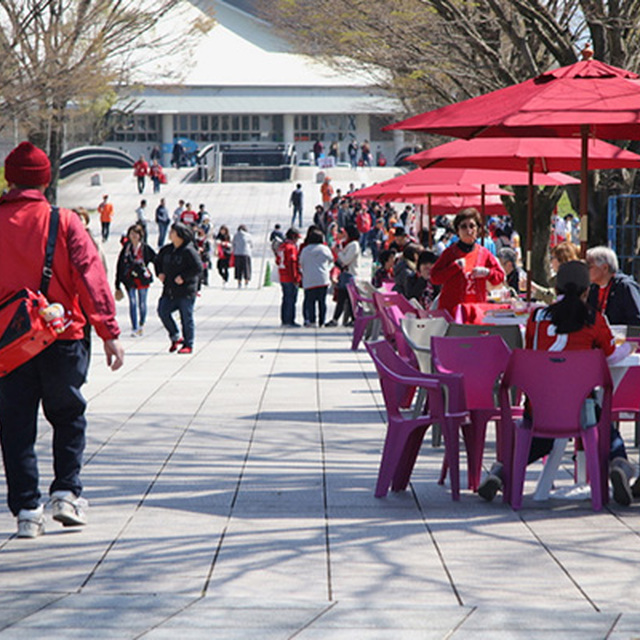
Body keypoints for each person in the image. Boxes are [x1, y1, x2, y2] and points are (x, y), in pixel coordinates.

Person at [0, 141, 124, 538]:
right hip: (61, 335)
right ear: (46, 179)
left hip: (8, 342)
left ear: (9, 177)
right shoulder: (65, 221)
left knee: (15, 425)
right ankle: (66, 493)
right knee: (68, 416)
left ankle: (26, 511)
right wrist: (108, 333)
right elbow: (91, 276)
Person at [477, 261, 636, 506]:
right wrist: (629, 347)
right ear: (586, 290)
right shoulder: (594, 319)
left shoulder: (536, 317)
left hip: (538, 406)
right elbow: (611, 355)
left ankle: (501, 471)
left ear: (557, 288)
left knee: (542, 436)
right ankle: (619, 463)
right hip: (579, 408)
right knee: (599, 418)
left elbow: (531, 351)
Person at [430, 208, 505, 315]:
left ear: (478, 229)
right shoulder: (450, 253)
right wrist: (454, 267)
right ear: (457, 230)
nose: (468, 230)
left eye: (472, 226)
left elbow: (500, 277)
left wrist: (487, 272)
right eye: (463, 226)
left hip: (476, 312)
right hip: (452, 313)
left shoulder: (483, 253)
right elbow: (434, 277)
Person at [155, 222, 202, 354]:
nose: (170, 234)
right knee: (163, 310)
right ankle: (176, 336)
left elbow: (198, 268)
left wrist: (184, 277)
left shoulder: (189, 250)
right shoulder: (167, 249)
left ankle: (188, 344)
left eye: (173, 232)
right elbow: (157, 261)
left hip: (186, 291)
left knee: (186, 317)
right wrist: (159, 273)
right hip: (169, 289)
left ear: (180, 235)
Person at [115, 225, 156, 336]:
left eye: (135, 234)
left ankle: (141, 322)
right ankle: (135, 327)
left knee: (142, 303)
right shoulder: (126, 249)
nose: (133, 236)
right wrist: (117, 283)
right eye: (131, 234)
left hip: (142, 278)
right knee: (132, 302)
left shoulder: (145, 248)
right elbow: (120, 265)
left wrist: (160, 272)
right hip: (130, 279)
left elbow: (156, 259)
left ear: (140, 235)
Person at [586, 246, 640, 326]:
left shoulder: (624, 287)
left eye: (589, 267)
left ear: (605, 268)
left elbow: (636, 320)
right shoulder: (593, 289)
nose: (586, 270)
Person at [325, 225, 361, 327]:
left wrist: (338, 253)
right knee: (342, 298)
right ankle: (337, 318)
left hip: (350, 275)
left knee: (349, 299)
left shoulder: (354, 245)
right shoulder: (348, 244)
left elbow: (346, 260)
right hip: (345, 275)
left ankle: (352, 319)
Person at [299, 228, 334, 327]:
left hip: (309, 279)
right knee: (322, 301)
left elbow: (301, 262)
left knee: (310, 301)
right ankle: (322, 321)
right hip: (322, 278)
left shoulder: (305, 250)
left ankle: (312, 320)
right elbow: (331, 260)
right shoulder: (324, 249)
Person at [276, 227, 302, 326]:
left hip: (282, 275)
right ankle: (289, 319)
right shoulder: (291, 248)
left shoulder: (282, 246)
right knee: (291, 299)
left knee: (285, 298)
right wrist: (295, 277)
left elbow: (278, 260)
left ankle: (284, 319)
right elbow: (292, 263)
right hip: (289, 276)